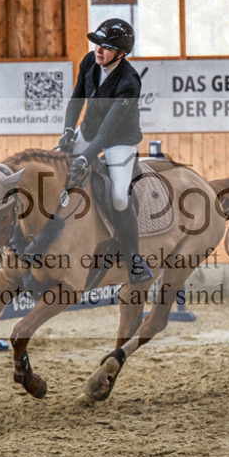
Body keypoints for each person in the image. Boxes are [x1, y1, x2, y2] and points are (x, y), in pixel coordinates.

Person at [59, 18, 154, 284]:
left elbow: (108, 132)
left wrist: (85, 158)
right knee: (55, 165)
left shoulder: (130, 81)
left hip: (119, 141)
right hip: (89, 130)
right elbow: (77, 98)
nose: (99, 50)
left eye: (107, 48)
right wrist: (68, 131)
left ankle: (134, 258)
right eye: (98, 44)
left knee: (119, 198)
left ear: (121, 54)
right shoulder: (90, 61)